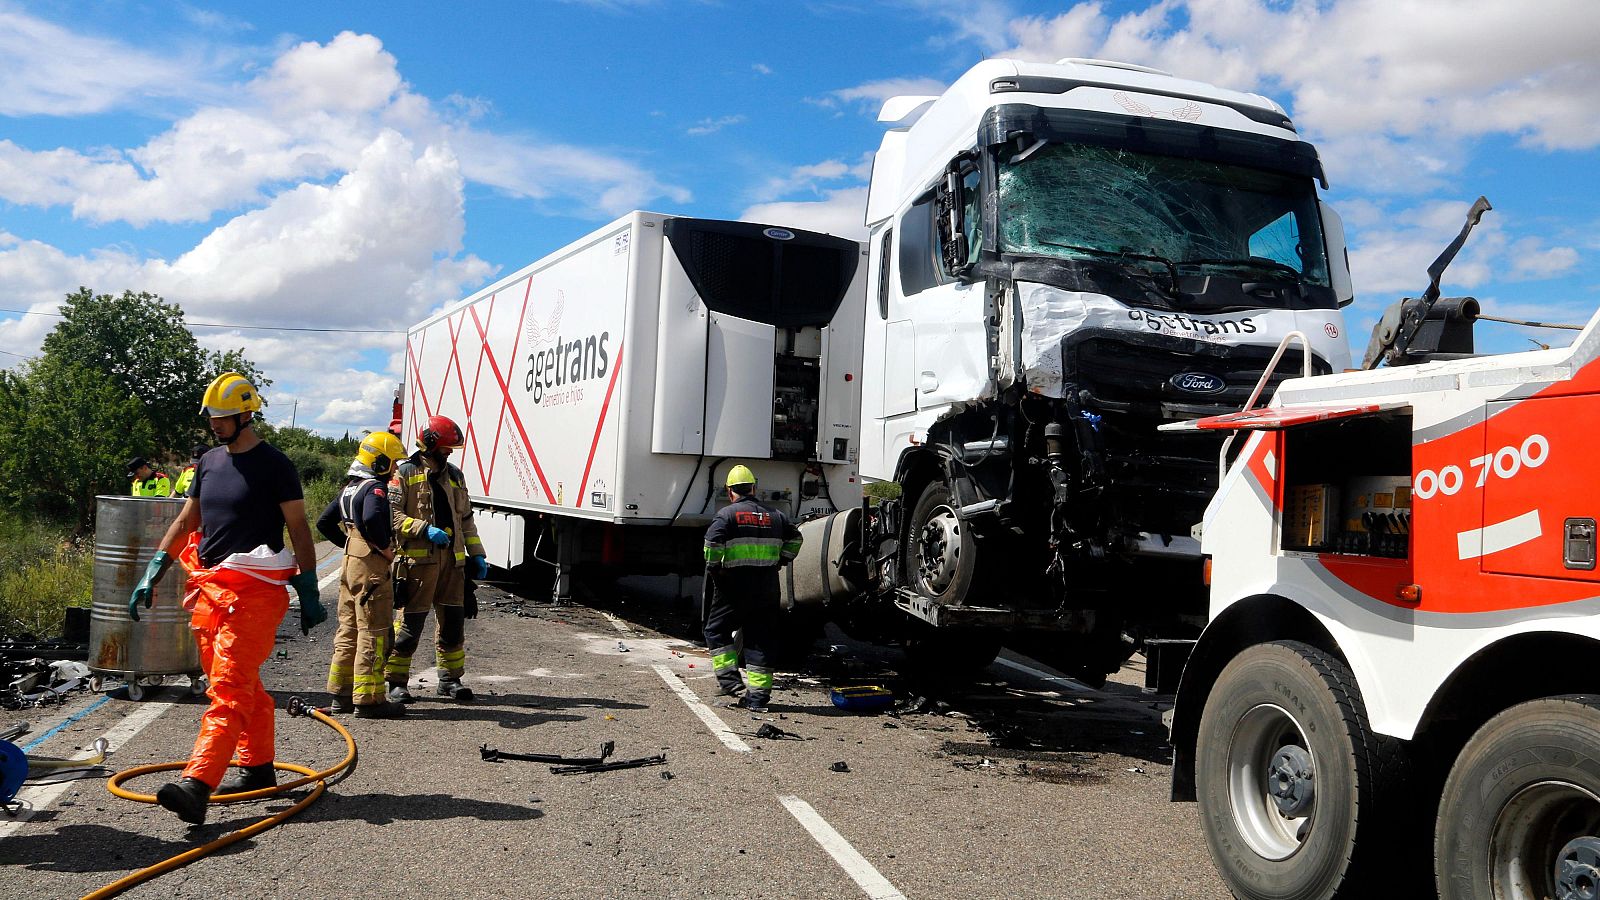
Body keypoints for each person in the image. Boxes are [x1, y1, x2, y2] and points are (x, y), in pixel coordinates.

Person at [126, 372, 327, 825]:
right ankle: (257, 769)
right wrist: (152, 571)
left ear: (246, 414)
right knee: (242, 685)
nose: (215, 424)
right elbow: (185, 521)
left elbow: (298, 528)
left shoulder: (276, 465)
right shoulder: (210, 464)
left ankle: (198, 782)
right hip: (211, 590)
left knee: (229, 689)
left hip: (254, 592)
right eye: (212, 417)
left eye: (223, 417)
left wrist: (309, 589)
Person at [384, 415, 488, 704]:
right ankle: (396, 682)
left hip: (453, 568)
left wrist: (477, 554)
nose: (450, 452)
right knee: (409, 626)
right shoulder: (404, 473)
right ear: (430, 445)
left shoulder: (455, 475)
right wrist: (422, 529)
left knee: (453, 625)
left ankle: (450, 681)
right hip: (417, 566)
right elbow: (392, 516)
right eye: (445, 447)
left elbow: (466, 519)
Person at [315, 432, 408, 719]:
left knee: (349, 630)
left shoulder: (349, 488)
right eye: (392, 463)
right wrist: (385, 550)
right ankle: (369, 700)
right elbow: (370, 518)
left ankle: (340, 695)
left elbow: (323, 522)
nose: (394, 470)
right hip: (371, 568)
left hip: (350, 563)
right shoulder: (375, 489)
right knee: (375, 632)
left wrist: (348, 543)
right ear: (379, 462)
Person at [702, 465, 802, 712]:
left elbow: (712, 546)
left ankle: (729, 681)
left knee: (716, 630)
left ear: (729, 490)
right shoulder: (776, 515)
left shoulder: (726, 515)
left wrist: (716, 569)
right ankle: (757, 699)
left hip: (733, 587)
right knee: (760, 641)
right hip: (767, 588)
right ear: (753, 488)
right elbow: (796, 539)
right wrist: (781, 560)